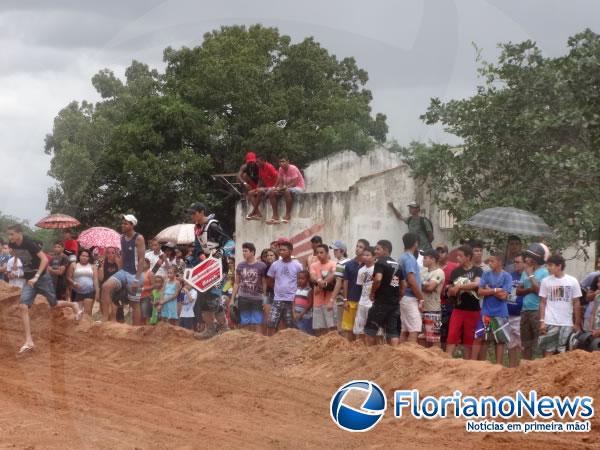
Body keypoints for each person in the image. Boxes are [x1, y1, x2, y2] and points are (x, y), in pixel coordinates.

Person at [6, 224, 83, 353]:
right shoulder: (12, 244)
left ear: (19, 233)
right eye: (9, 234)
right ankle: (29, 341)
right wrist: (16, 269)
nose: (10, 237)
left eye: (12, 234)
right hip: (29, 281)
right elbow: (18, 256)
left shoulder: (29, 242)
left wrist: (36, 276)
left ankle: (73, 305)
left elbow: (44, 260)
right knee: (23, 306)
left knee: (53, 304)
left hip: (42, 278)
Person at [187, 202, 232, 339]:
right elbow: (198, 249)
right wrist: (194, 258)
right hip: (207, 267)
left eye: (194, 213)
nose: (192, 215)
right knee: (202, 299)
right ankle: (210, 329)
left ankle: (224, 327)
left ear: (201, 212)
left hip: (221, 268)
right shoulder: (197, 228)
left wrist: (220, 252)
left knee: (213, 297)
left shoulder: (212, 226)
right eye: (191, 213)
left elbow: (231, 243)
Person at [100, 215, 145, 322]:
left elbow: (142, 260)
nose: (122, 225)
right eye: (122, 223)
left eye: (125, 223)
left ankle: (136, 330)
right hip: (124, 271)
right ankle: (105, 319)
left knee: (135, 304)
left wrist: (136, 280)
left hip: (134, 274)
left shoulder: (138, 238)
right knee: (105, 287)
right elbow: (124, 256)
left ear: (132, 225)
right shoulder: (122, 238)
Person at [538, 254, 582, 356]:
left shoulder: (572, 281)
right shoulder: (545, 281)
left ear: (559, 266)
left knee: (564, 351)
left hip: (566, 322)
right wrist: (542, 321)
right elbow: (543, 302)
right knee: (548, 350)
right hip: (550, 321)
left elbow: (576, 302)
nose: (548, 268)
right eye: (547, 265)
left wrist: (577, 322)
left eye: (551, 265)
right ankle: (546, 372)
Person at [472, 253, 512, 364]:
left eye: (492, 261)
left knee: (500, 341)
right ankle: (479, 363)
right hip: (486, 312)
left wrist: (489, 289)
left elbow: (504, 296)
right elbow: (480, 292)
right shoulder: (486, 274)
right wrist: (495, 290)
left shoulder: (507, 276)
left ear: (500, 262)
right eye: (489, 261)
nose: (489, 263)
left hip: (500, 313)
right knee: (482, 338)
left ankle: (498, 365)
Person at [446, 245, 483, 359]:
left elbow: (477, 283)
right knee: (452, 335)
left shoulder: (477, 270)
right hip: (458, 308)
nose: (458, 258)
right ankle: (447, 360)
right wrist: (452, 290)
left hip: (473, 310)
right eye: (457, 255)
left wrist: (460, 287)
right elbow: (450, 290)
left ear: (468, 257)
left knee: (469, 337)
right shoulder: (455, 272)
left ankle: (467, 364)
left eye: (460, 256)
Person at [364, 240, 403, 346]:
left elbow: (378, 279)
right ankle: (394, 356)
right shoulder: (398, 265)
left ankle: (369, 355)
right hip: (394, 304)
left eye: (378, 249)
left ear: (385, 250)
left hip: (381, 302)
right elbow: (402, 285)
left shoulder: (380, 262)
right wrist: (398, 297)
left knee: (370, 330)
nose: (375, 251)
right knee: (393, 332)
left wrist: (372, 292)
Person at [516, 243, 549, 360]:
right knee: (526, 343)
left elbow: (540, 291)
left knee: (540, 343)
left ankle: (541, 367)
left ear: (536, 259)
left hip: (537, 311)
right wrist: (530, 289)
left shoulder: (544, 272)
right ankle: (526, 366)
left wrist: (530, 275)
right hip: (525, 310)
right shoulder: (525, 272)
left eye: (529, 256)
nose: (526, 259)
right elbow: (518, 291)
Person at [266, 240, 303, 335]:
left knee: (290, 325)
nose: (281, 252)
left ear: (290, 251)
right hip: (277, 299)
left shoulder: (297, 265)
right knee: (271, 323)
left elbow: (302, 280)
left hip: (292, 300)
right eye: (280, 250)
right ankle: (271, 345)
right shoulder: (275, 264)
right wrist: (277, 289)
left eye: (284, 250)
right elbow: (269, 280)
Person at [231, 242, 268, 332]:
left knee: (258, 322)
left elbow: (264, 283)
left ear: (252, 252)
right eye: (243, 251)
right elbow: (236, 283)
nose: (244, 253)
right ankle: (246, 344)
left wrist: (265, 298)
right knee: (244, 322)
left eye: (246, 251)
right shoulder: (240, 266)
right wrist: (232, 298)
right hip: (243, 298)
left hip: (257, 298)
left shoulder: (262, 266)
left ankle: (258, 343)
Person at [337, 239, 369, 340]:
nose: (358, 249)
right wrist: (345, 299)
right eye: (357, 246)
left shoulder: (368, 265)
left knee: (361, 330)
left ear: (365, 250)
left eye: (361, 247)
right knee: (348, 329)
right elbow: (345, 283)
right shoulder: (349, 264)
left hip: (363, 302)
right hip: (350, 301)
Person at [398, 233, 424, 343]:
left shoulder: (401, 257)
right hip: (410, 297)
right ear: (416, 243)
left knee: (404, 329)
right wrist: (421, 298)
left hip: (404, 297)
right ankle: (409, 356)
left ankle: (400, 356)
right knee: (415, 328)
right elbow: (412, 280)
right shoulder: (409, 258)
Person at [266, 157, 305, 224]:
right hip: (287, 188)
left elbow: (294, 184)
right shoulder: (280, 169)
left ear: (288, 162)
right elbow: (281, 183)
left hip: (298, 187)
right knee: (272, 193)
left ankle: (288, 215)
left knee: (286, 191)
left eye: (283, 161)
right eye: (280, 162)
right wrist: (277, 189)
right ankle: (275, 216)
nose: (281, 163)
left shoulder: (293, 168)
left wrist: (282, 188)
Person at [310, 244, 337, 336]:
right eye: (317, 252)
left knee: (332, 327)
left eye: (321, 252)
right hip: (317, 301)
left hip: (330, 301)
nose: (319, 254)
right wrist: (320, 281)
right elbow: (312, 277)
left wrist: (322, 283)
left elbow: (333, 275)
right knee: (319, 328)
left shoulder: (333, 264)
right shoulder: (313, 265)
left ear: (327, 253)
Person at [242, 153, 279, 220]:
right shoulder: (260, 168)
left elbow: (278, 177)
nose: (256, 163)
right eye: (256, 162)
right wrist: (257, 188)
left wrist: (275, 187)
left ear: (263, 161)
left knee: (259, 191)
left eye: (258, 162)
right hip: (267, 187)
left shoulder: (269, 167)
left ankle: (254, 212)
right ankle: (258, 213)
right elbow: (260, 179)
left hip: (273, 187)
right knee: (250, 193)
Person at [436, 244, 459, 351]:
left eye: (442, 251)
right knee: (434, 332)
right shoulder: (431, 266)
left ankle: (445, 356)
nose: (439, 254)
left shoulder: (454, 267)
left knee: (447, 332)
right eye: (438, 251)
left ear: (447, 254)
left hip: (449, 304)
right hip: (434, 305)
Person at [421, 249, 445, 348]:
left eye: (425, 258)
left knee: (434, 338)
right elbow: (412, 284)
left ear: (433, 260)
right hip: (422, 308)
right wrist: (425, 284)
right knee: (423, 336)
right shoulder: (423, 271)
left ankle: (436, 360)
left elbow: (431, 287)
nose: (423, 260)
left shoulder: (439, 272)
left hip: (433, 309)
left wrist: (421, 283)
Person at [66, 249, 99, 316]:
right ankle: (79, 326)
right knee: (78, 312)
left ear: (89, 258)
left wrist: (97, 292)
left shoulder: (93, 266)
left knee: (88, 312)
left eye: (86, 256)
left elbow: (95, 280)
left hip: (90, 291)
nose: (84, 257)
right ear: (79, 256)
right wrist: (74, 284)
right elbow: (68, 277)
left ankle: (88, 325)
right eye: (83, 255)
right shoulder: (74, 265)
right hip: (76, 291)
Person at [353, 246, 376, 338]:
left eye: (368, 255)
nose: (365, 257)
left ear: (374, 257)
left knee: (372, 328)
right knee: (360, 328)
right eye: (364, 255)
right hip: (362, 301)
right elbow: (361, 286)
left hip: (372, 302)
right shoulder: (360, 270)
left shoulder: (377, 269)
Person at [507, 254, 525, 367]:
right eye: (514, 261)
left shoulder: (527, 276)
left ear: (525, 263)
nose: (515, 264)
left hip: (520, 315)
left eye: (518, 262)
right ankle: (512, 368)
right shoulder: (509, 276)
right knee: (511, 344)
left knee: (521, 344)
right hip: (508, 314)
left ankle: (521, 368)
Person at [293, 270, 314, 335]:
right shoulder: (296, 289)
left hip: (306, 317)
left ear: (307, 280)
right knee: (298, 333)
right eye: (298, 278)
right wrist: (294, 313)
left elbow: (310, 304)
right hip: (296, 316)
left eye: (302, 279)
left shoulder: (309, 290)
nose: (300, 280)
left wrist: (301, 314)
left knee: (306, 333)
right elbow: (293, 302)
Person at [139, 258, 154, 325]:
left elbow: (154, 286)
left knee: (146, 316)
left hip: (147, 297)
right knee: (140, 316)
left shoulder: (150, 273)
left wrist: (144, 289)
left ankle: (147, 331)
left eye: (143, 263)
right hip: (138, 297)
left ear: (148, 265)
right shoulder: (139, 273)